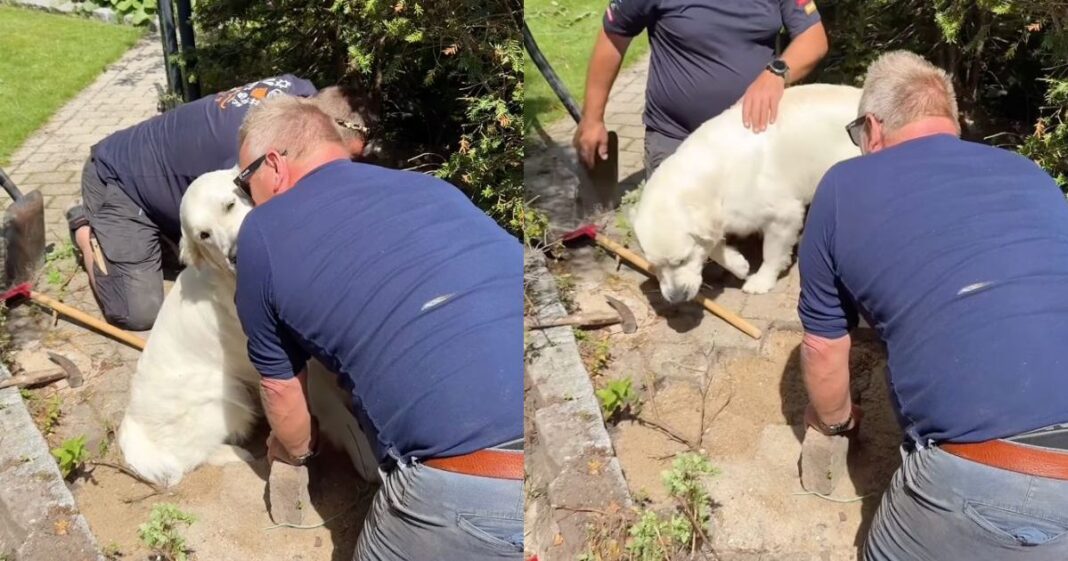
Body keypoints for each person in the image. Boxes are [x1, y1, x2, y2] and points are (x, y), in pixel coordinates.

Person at [797, 50, 1068, 561]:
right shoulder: (1029, 172)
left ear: (872, 128)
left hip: (995, 479)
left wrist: (834, 422)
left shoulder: (842, 187)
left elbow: (823, 346)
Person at [233, 95, 523, 560]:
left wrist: (293, 453)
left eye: (245, 180)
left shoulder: (262, 231)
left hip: (476, 493)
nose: (247, 196)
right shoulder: (429, 188)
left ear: (274, 165)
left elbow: (283, 394)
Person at [67, 75, 374, 330]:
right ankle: (84, 226)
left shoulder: (302, 93)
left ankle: (160, 233)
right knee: (139, 312)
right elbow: (270, 232)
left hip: (167, 178)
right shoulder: (252, 147)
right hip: (118, 180)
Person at [574, 0, 828, 178]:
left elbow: (813, 37)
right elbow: (614, 36)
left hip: (752, 138)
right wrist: (592, 119)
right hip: (677, 140)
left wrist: (776, 72)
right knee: (675, 235)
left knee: (751, 234)